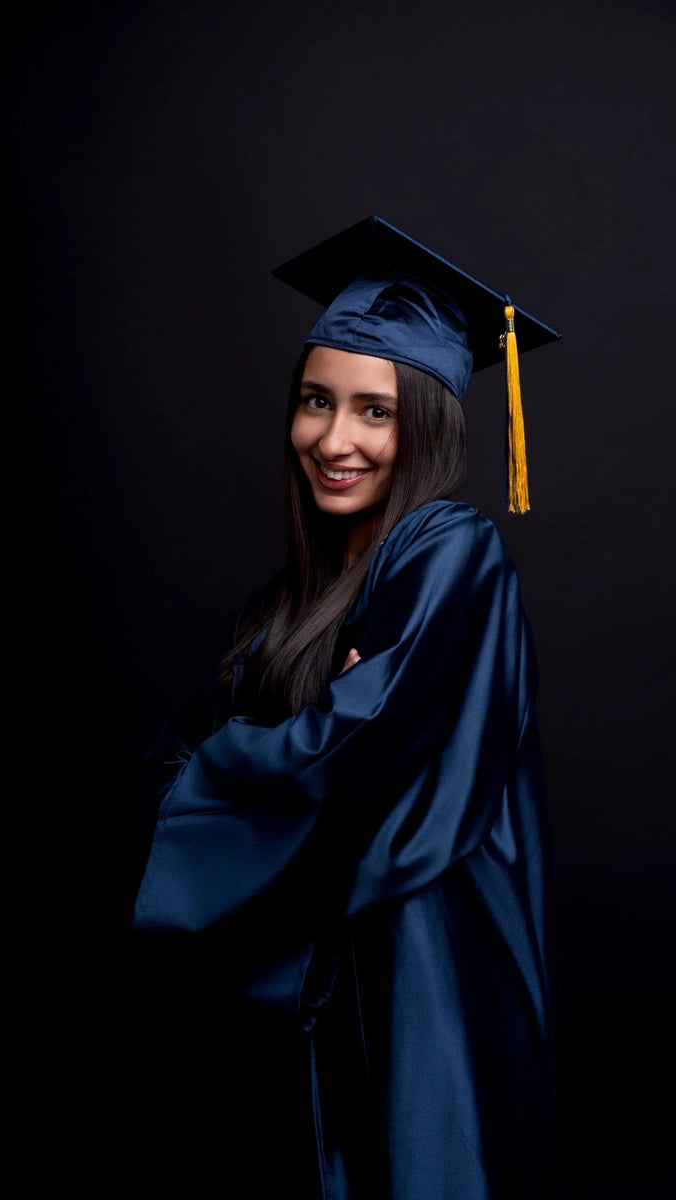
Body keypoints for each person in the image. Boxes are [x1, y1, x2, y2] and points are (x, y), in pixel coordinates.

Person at [130, 216, 562, 1198]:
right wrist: (296, 726)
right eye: (316, 401)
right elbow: (167, 766)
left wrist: (273, 740)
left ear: (430, 424)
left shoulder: (454, 551)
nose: (335, 440)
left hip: (423, 971)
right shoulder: (285, 604)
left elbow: (357, 747)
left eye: (376, 412)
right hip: (315, 981)